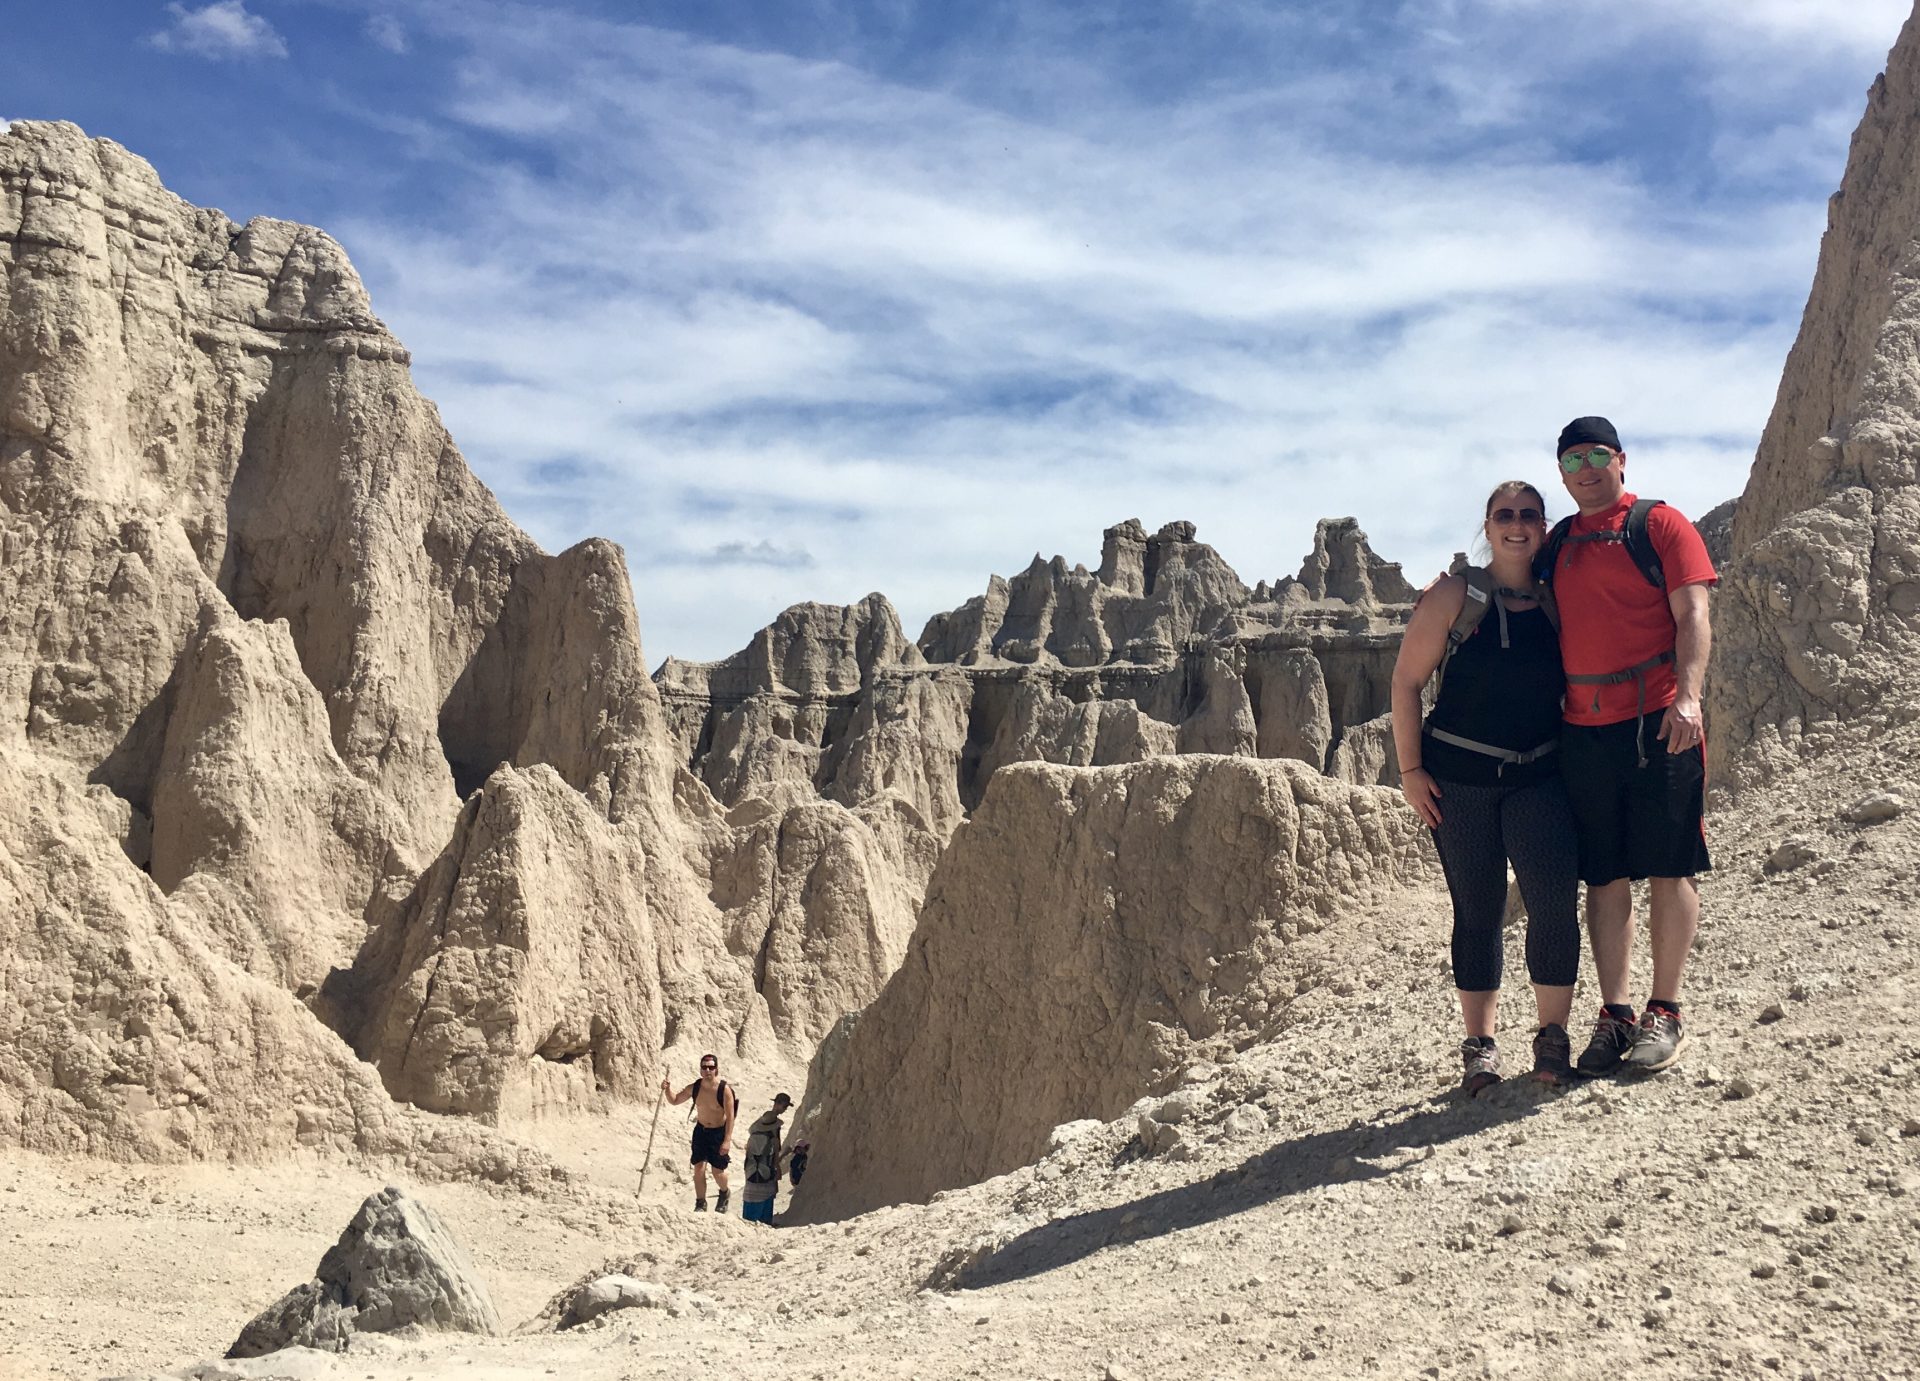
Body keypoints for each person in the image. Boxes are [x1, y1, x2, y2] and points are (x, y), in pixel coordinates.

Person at [1390, 481, 1582, 1095]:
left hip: (1539, 775)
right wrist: (1411, 771)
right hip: (1459, 782)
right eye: (1506, 515)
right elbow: (1404, 684)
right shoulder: (1456, 596)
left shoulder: (1558, 600)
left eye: (1529, 515)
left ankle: (1552, 1038)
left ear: (1544, 526)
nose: (1517, 525)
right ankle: (1480, 1047)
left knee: (1552, 902)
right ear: (1488, 525)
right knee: (1478, 910)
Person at [1541, 417, 1716, 1075]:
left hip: (1659, 720)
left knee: (1672, 862)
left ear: (1620, 459)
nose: (1585, 469)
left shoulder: (1660, 525)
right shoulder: (1559, 544)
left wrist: (1689, 695)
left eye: (1595, 455)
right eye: (1572, 460)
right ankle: (1615, 1014)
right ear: (1562, 473)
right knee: (1605, 873)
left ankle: (1664, 1009)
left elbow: (1694, 613)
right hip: (1583, 729)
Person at [661, 1054, 737, 1212]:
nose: (708, 1070)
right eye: (704, 1067)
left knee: (717, 1171)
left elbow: (730, 1117)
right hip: (701, 1131)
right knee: (698, 1168)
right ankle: (700, 1203)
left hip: (718, 1133)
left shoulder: (724, 1090)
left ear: (716, 1069)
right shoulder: (695, 1087)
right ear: (700, 1070)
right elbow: (675, 1100)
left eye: (711, 1067)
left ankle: (724, 1192)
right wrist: (667, 1089)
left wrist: (727, 1140)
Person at [740, 1093, 792, 1225]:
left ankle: (749, 1220)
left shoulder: (757, 1126)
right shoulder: (773, 1128)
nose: (784, 1109)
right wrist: (778, 1167)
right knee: (767, 1192)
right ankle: (764, 1221)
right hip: (766, 1167)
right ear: (778, 1104)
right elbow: (774, 1151)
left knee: (752, 1192)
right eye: (784, 1106)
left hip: (751, 1166)